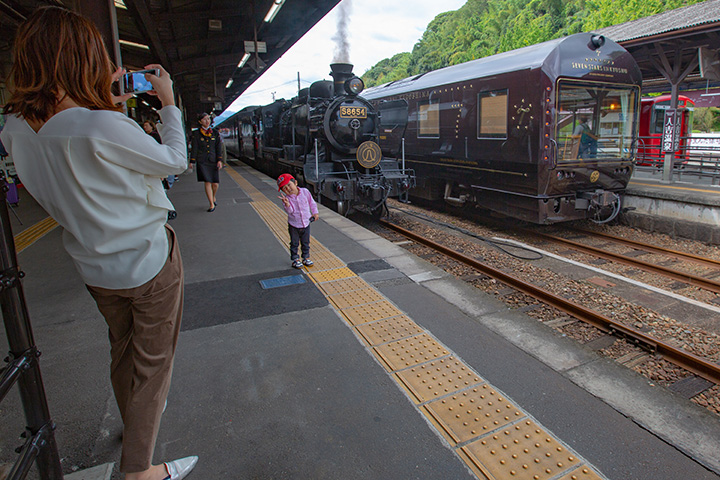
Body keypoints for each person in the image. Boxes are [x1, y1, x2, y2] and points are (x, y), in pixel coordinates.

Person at [1, 7, 197, 480]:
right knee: (153, 364)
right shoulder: (102, 125)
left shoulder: (15, 130)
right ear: (81, 60)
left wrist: (99, 102)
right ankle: (139, 471)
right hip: (149, 263)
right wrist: (168, 101)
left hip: (93, 266)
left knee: (122, 350)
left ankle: (134, 430)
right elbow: (174, 160)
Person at [277, 173, 319, 268]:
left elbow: (311, 202)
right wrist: (287, 204)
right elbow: (290, 212)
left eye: (289, 185)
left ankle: (306, 258)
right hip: (294, 225)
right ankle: (295, 259)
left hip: (306, 223)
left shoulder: (305, 192)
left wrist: (315, 213)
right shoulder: (286, 199)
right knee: (294, 243)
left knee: (306, 242)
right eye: (284, 188)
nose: (288, 188)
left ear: (295, 183)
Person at [189, 113, 223, 212]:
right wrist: (192, 161)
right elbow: (195, 148)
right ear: (200, 122)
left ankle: (213, 196)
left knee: (215, 184)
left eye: (208, 119)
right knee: (207, 181)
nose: (207, 121)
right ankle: (211, 204)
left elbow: (218, 147)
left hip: (213, 160)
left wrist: (219, 160)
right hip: (202, 161)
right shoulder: (196, 134)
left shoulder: (215, 133)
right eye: (204, 119)